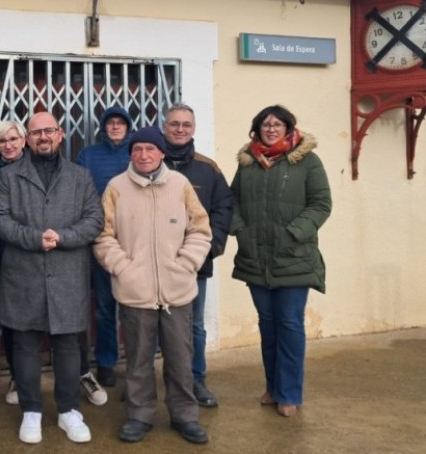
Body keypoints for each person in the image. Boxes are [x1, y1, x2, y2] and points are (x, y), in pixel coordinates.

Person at [0, 112, 104, 445]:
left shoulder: (80, 176)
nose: (43, 137)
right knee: (24, 345)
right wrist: (33, 238)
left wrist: (64, 237)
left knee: (68, 345)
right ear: (27, 138)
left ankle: (68, 410)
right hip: (22, 272)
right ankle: (32, 411)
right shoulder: (9, 177)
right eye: (36, 132)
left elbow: (95, 218)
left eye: (48, 131)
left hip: (67, 272)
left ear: (60, 134)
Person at [94, 126, 211, 445]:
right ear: (131, 153)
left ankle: (185, 414)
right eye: (137, 149)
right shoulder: (116, 188)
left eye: (150, 149)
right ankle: (139, 415)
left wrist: (186, 264)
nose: (143, 155)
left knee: (179, 359)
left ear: (161, 153)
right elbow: (103, 235)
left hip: (177, 291)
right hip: (135, 292)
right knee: (138, 359)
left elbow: (200, 229)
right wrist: (123, 268)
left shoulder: (180, 184)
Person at [230, 105, 331, 418]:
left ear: (289, 128)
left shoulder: (307, 161)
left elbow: (321, 204)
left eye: (277, 124)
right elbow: (231, 201)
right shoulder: (248, 164)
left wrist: (292, 234)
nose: (271, 129)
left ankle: (289, 393)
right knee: (268, 326)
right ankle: (272, 387)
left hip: (294, 258)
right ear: (257, 128)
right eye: (265, 124)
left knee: (289, 325)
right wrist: (241, 233)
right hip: (255, 259)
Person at [162, 104, 233, 407]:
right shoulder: (148, 161)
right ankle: (153, 383)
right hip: (155, 264)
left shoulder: (208, 168)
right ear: (164, 127)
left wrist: (211, 247)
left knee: (193, 326)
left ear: (193, 129)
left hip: (194, 265)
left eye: (186, 125)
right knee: (153, 326)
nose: (180, 129)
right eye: (174, 124)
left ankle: (196, 380)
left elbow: (223, 209)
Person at [75, 106, 133, 398]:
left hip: (135, 243)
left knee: (135, 307)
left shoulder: (138, 151)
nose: (114, 127)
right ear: (103, 127)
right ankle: (107, 362)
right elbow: (79, 192)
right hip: (101, 241)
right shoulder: (89, 155)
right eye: (110, 123)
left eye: (120, 123)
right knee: (104, 307)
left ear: (128, 126)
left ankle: (135, 364)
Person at [0, 120, 27, 405]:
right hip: (5, 258)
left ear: (24, 141)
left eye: (13, 139)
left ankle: (77, 373)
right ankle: (18, 376)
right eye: (2, 141)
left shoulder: (37, 169)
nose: (9, 145)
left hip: (37, 253)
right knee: (13, 323)